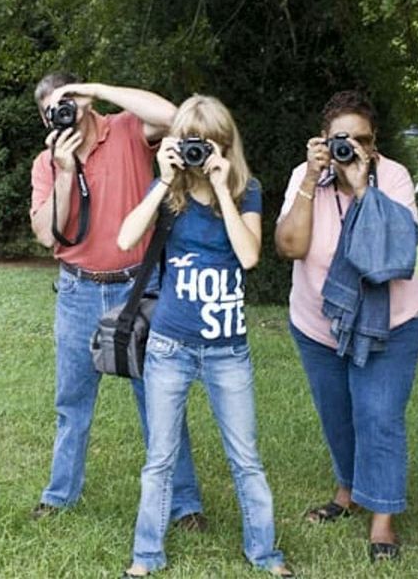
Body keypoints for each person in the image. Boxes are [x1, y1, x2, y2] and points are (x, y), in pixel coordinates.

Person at [118, 95, 293, 578]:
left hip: (227, 352)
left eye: (210, 144)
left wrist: (220, 189)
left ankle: (264, 553)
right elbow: (126, 238)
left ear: (225, 145)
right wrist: (163, 179)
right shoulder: (169, 193)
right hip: (170, 346)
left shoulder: (246, 190)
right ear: (178, 144)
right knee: (159, 458)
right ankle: (146, 556)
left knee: (246, 458)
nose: (200, 153)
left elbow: (250, 255)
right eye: (192, 144)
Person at [28, 73, 205, 527]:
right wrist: (66, 174)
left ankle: (184, 504)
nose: (61, 113)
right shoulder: (47, 162)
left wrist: (98, 92)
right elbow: (48, 233)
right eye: (52, 110)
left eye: (67, 102)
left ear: (84, 101)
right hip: (77, 289)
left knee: (159, 397)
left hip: (137, 285)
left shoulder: (125, 129)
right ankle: (60, 495)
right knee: (72, 402)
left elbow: (174, 117)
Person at [274, 90, 418, 563]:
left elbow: (393, 254)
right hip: (318, 323)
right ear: (323, 140)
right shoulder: (308, 178)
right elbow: (290, 247)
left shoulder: (393, 178)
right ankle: (348, 492)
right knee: (337, 414)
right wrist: (308, 180)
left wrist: (363, 189)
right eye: (340, 140)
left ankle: (383, 519)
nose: (349, 149)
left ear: (374, 144)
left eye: (359, 140)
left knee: (378, 415)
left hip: (391, 322)